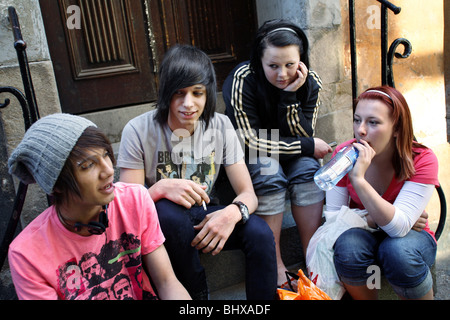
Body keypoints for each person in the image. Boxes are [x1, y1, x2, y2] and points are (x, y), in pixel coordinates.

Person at [117, 44, 277, 300]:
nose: (188, 104)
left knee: (259, 232)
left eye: (197, 93)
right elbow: (127, 206)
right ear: (166, 92)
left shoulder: (221, 126)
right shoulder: (137, 131)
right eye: (178, 93)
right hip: (161, 229)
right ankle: (197, 297)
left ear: (208, 94)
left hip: (204, 218)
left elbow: (249, 194)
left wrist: (232, 213)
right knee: (167, 211)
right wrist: (159, 189)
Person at [7, 113, 191, 300]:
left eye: (105, 155)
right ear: (57, 185)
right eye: (88, 165)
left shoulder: (135, 199)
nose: (109, 170)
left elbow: (167, 282)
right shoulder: (27, 254)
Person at [222, 19, 332, 286]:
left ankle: (313, 260)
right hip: (253, 156)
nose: (282, 74)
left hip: (285, 151)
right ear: (259, 60)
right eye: (273, 66)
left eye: (290, 65)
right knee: (270, 171)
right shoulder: (242, 79)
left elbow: (303, 132)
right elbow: (248, 140)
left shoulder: (309, 82)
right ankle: (276, 265)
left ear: (301, 60)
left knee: (308, 169)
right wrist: (306, 146)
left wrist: (289, 96)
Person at [326, 86, 439, 300]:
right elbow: (333, 222)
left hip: (410, 240)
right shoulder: (344, 156)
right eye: (357, 120)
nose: (360, 130)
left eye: (373, 122)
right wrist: (379, 219)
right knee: (348, 247)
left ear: (396, 128)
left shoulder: (422, 159)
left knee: (396, 251)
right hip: (363, 236)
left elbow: (398, 229)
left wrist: (359, 180)